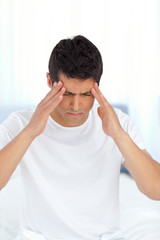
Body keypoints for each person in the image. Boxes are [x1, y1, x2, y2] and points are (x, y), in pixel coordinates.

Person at [0, 35, 160, 240]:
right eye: (66, 94)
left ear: (97, 87)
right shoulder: (22, 123)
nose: (76, 106)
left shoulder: (117, 122)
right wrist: (30, 132)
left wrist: (118, 135)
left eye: (86, 95)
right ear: (50, 81)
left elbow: (155, 190)